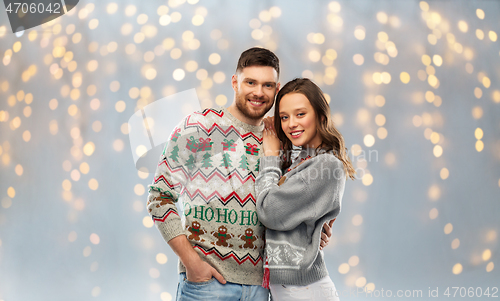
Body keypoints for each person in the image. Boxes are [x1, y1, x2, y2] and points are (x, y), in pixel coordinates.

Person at [147, 48, 334, 301]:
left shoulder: (282, 139)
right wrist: (192, 263)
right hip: (207, 283)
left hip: (263, 288)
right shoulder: (199, 127)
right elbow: (160, 197)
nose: (259, 92)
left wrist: (314, 229)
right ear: (235, 82)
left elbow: (288, 205)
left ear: (277, 89)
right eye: (250, 82)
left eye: (267, 85)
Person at [256, 78, 356, 301]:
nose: (291, 123)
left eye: (300, 114)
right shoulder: (302, 159)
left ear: (321, 116)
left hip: (305, 291)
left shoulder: (326, 165)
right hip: (289, 289)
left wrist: (270, 158)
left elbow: (269, 212)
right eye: (284, 117)